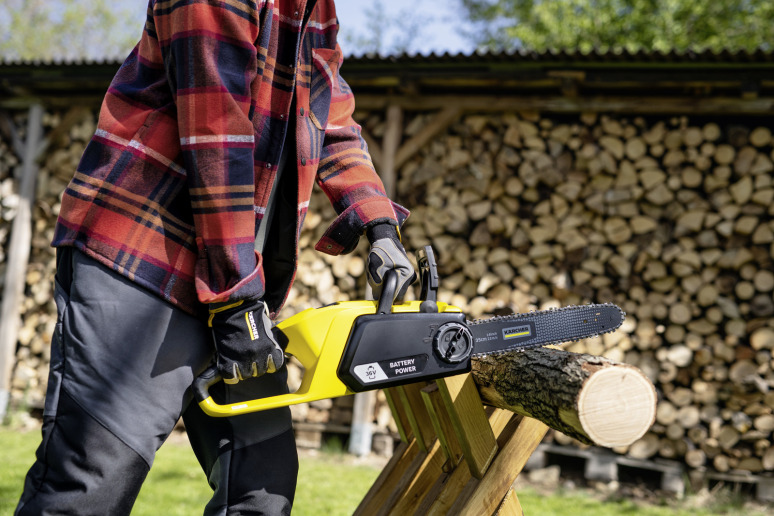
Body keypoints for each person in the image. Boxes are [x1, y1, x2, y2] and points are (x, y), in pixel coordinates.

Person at [15, 1, 416, 514]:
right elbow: (215, 130)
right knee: (90, 487)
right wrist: (235, 301)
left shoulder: (314, 8)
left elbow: (329, 111)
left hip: (236, 278)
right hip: (143, 264)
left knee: (261, 493)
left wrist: (378, 222)